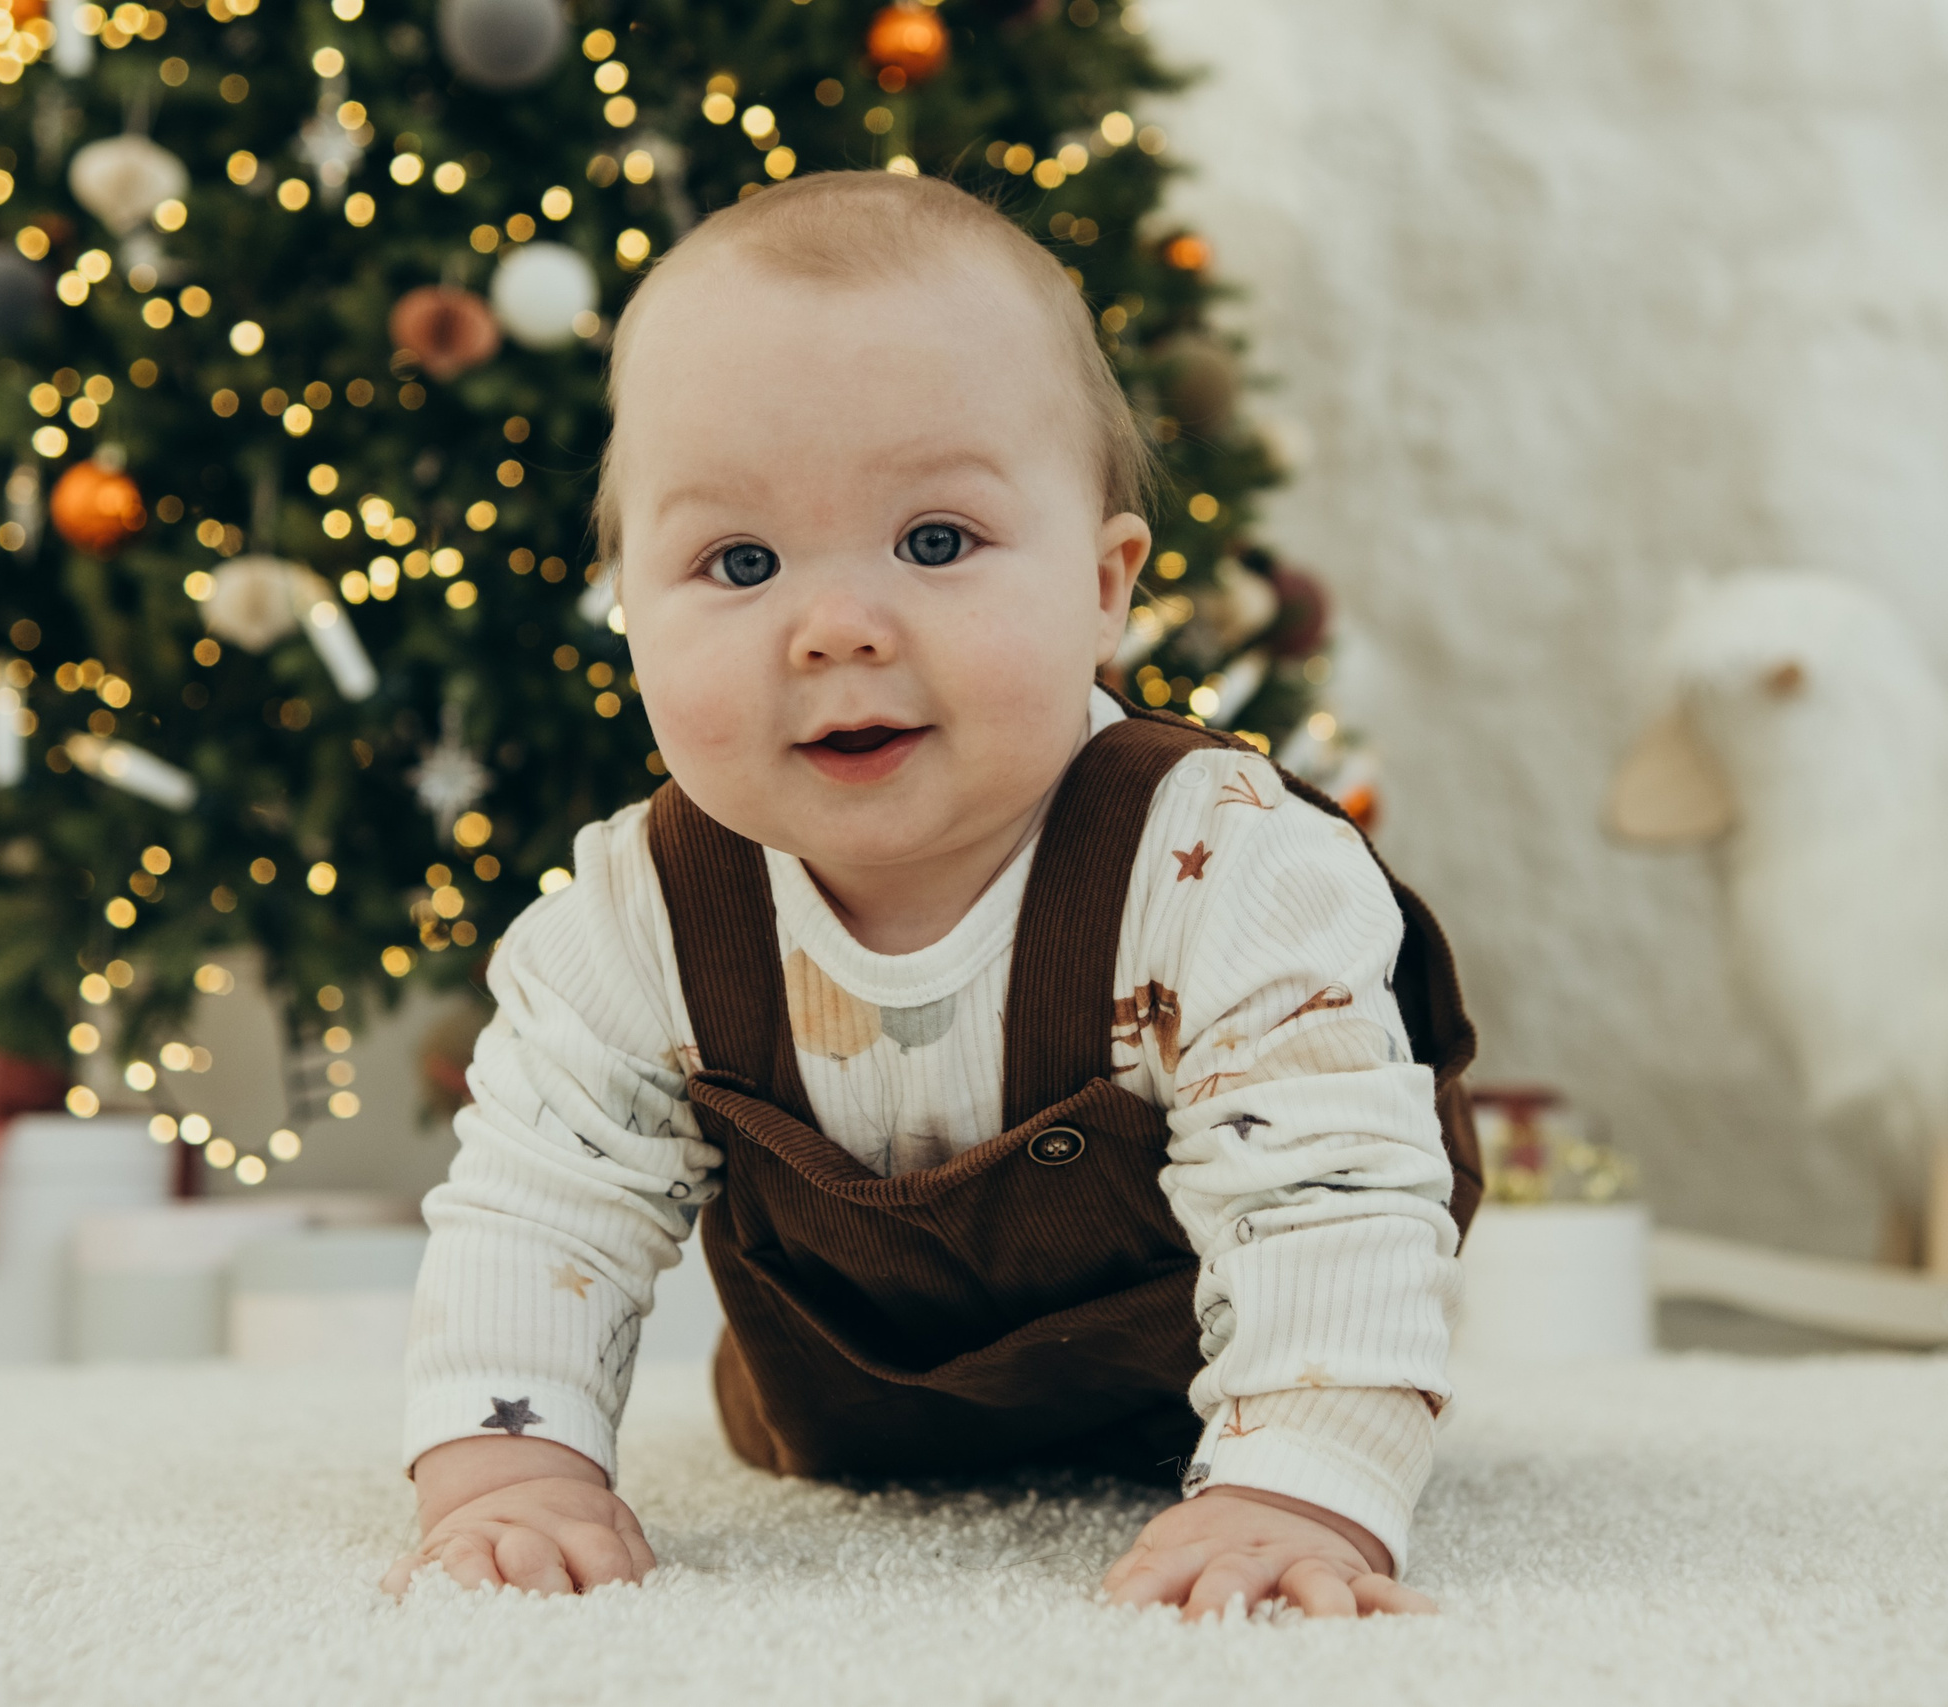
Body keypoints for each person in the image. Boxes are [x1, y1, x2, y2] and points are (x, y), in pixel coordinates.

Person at [383, 170, 1480, 1621]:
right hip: (857, 1427)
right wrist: (510, 1474)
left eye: (937, 542)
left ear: (1105, 588)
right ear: (632, 611)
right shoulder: (640, 916)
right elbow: (540, 1206)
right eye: (742, 561)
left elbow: (1329, 1196)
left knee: (1318, 1257)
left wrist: (1298, 1491)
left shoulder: (1223, 868)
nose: (837, 628)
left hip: (1234, 1382)